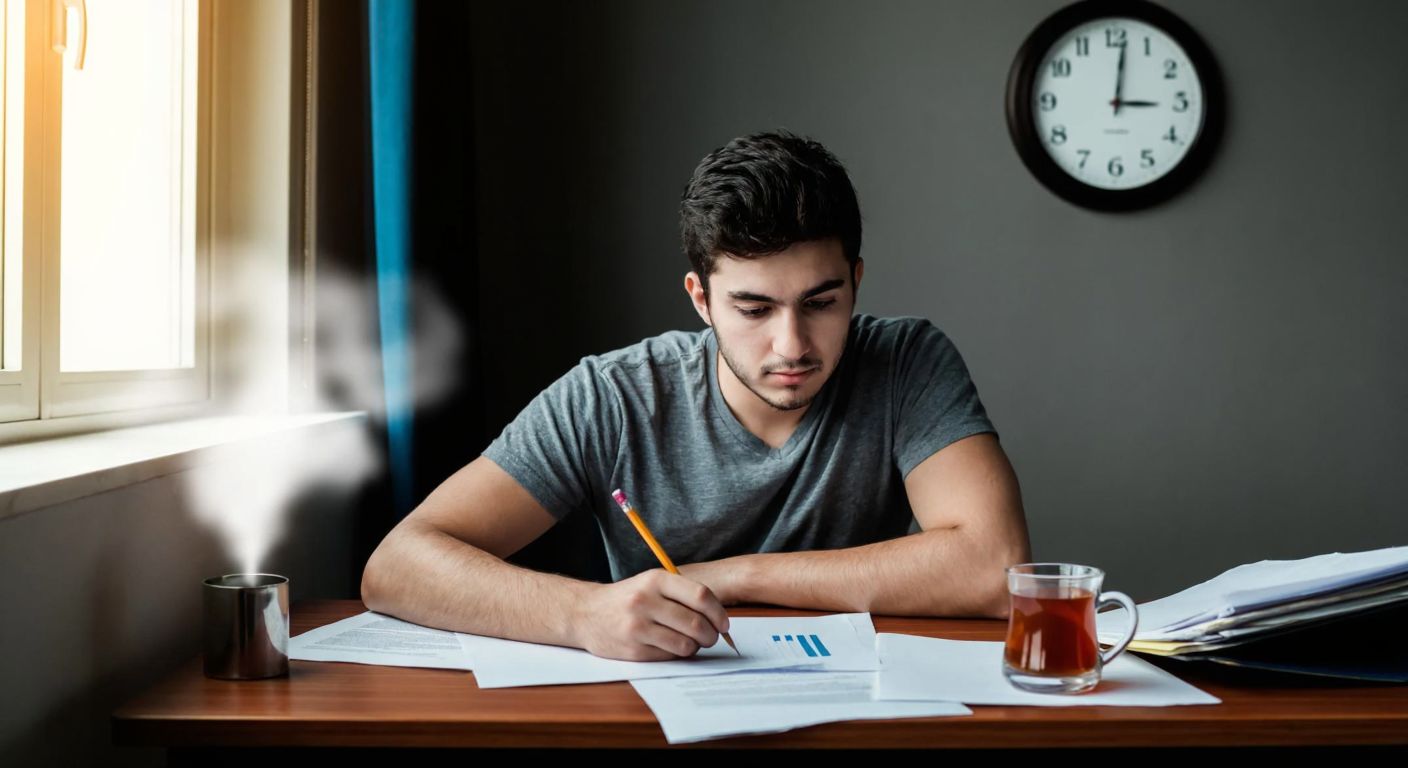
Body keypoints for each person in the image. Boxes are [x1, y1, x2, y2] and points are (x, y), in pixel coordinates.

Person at [361, 130, 1031, 661]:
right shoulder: (612, 396)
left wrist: (733, 576)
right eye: (754, 308)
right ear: (701, 300)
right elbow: (397, 566)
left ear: (856, 282)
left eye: (822, 303)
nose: (792, 344)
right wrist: (583, 614)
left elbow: (992, 568)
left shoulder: (908, 362)